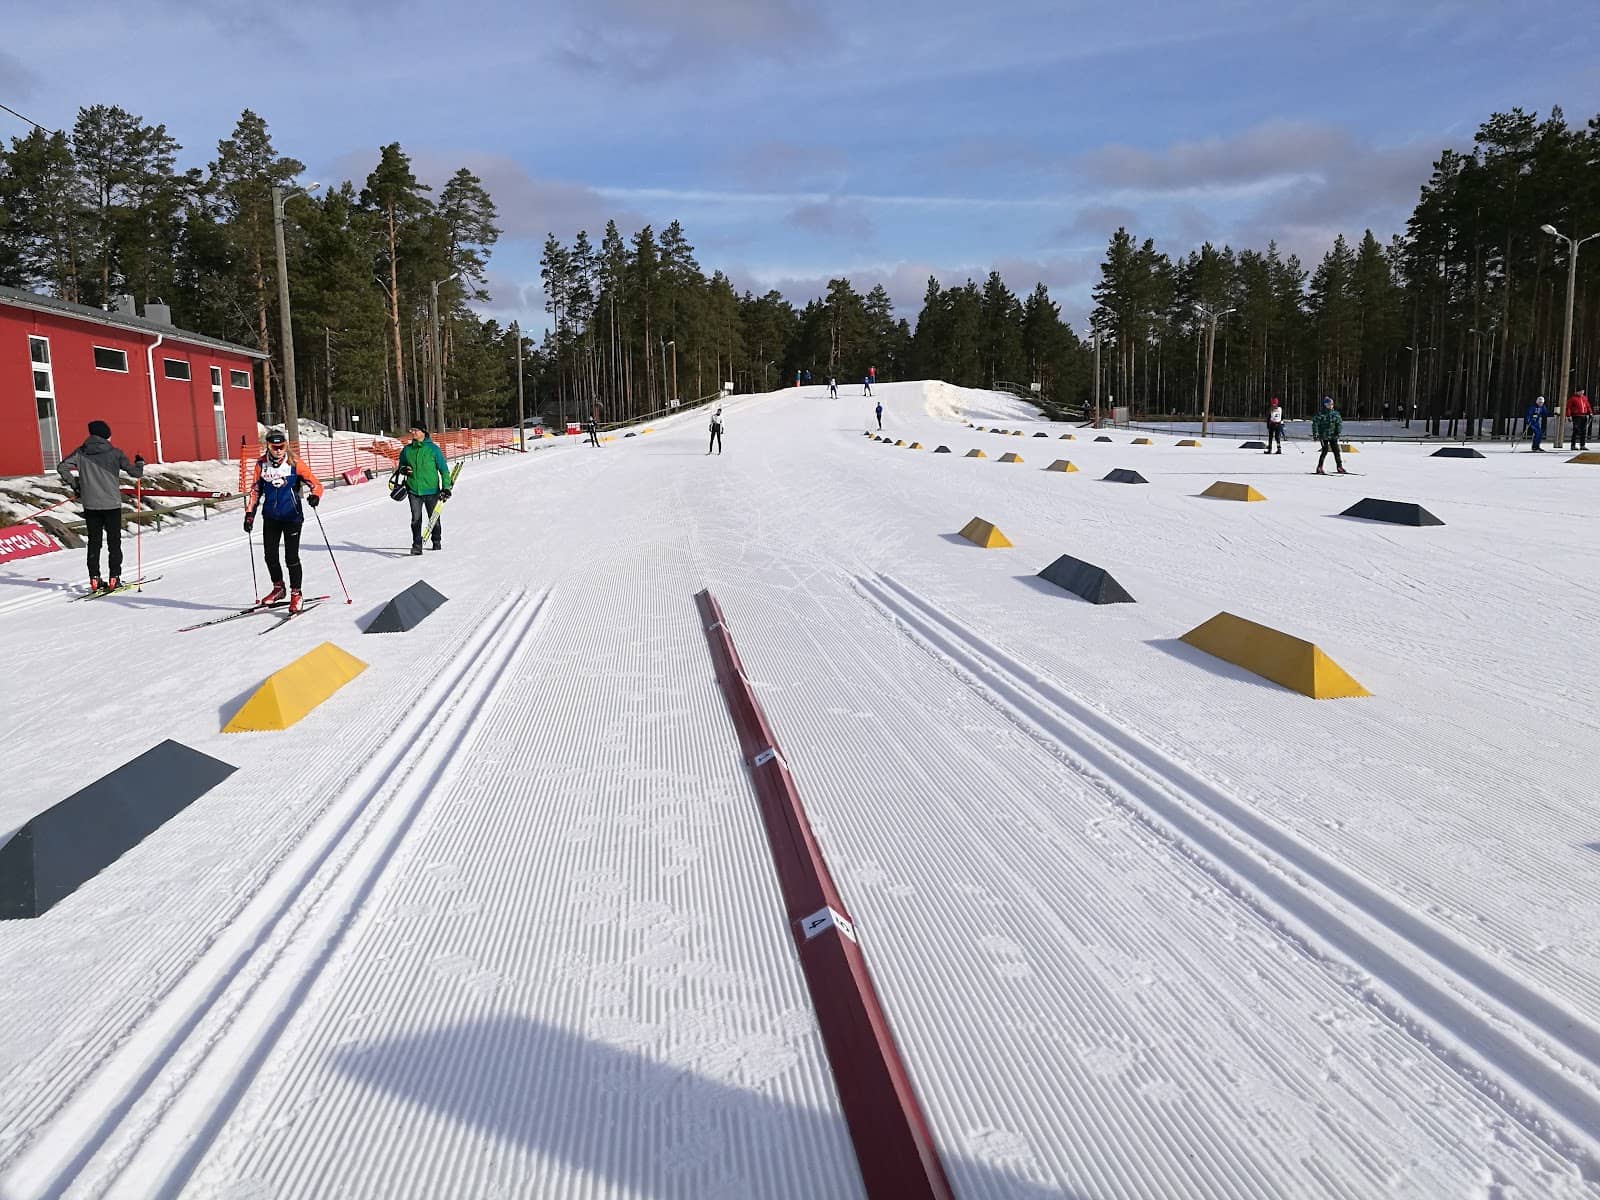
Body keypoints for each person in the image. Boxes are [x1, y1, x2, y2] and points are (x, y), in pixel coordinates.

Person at [56, 419, 144, 593]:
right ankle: (114, 578)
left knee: (94, 542)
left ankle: (94, 579)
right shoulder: (115, 453)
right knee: (114, 542)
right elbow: (136, 473)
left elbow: (62, 467)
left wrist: (76, 485)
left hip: (90, 505)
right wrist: (140, 462)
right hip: (111, 504)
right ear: (105, 435)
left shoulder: (81, 452)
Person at [243, 429, 323, 611]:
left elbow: (315, 484)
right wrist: (249, 515)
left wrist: (315, 496)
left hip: (291, 516)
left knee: (291, 557)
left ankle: (297, 593)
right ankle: (278, 588)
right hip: (270, 517)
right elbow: (255, 491)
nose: (278, 450)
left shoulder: (295, 463)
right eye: (274, 447)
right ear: (268, 447)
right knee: (270, 556)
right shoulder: (261, 464)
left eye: (282, 446)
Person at [394, 422, 452, 554]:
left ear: (423, 432)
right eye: (412, 430)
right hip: (413, 490)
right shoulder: (407, 450)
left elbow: (444, 470)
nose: (412, 432)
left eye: (415, 430)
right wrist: (404, 470)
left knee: (434, 518)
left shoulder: (433, 449)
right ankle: (417, 545)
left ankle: (436, 542)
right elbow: (401, 466)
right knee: (416, 519)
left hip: (432, 490)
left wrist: (446, 487)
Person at [1313, 396, 1346, 474]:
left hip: (1333, 435)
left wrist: (1338, 431)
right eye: (1329, 404)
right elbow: (1315, 424)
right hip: (1323, 435)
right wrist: (1316, 433)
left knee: (1336, 451)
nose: (1331, 406)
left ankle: (1339, 466)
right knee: (1325, 450)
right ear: (1325, 405)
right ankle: (1319, 467)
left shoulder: (1335, 414)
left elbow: (1339, 423)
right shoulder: (1321, 414)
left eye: (1332, 404)